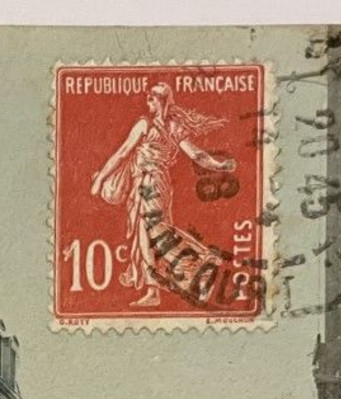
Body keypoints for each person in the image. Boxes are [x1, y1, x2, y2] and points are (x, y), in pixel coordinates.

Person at [90, 83, 237, 307]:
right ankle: (154, 288)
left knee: (155, 233)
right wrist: (221, 165)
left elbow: (122, 154)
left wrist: (100, 178)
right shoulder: (174, 127)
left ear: (158, 101)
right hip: (157, 184)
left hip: (149, 184)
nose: (147, 103)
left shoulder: (145, 124)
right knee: (147, 235)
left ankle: (200, 263)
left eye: (150, 99)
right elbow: (198, 155)